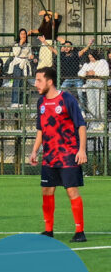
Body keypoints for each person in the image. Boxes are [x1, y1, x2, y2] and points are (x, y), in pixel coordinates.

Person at [29, 67, 87, 242]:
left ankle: (80, 232)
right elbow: (40, 130)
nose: (36, 84)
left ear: (50, 81)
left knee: (71, 191)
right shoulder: (40, 103)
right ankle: (48, 230)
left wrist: (82, 149)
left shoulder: (66, 99)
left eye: (39, 80)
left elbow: (81, 125)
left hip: (68, 153)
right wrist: (34, 150)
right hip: (49, 156)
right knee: (46, 190)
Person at [77, 51, 108, 127]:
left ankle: (102, 123)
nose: (91, 59)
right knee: (91, 104)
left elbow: (106, 73)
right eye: (89, 57)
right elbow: (80, 73)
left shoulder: (102, 62)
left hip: (99, 83)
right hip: (89, 83)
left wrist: (95, 73)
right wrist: (87, 73)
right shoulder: (87, 64)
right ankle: (93, 123)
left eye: (92, 57)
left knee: (100, 103)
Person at [8, 28, 34, 107]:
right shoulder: (16, 44)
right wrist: (20, 44)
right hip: (18, 64)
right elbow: (16, 53)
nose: (23, 35)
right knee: (17, 83)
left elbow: (29, 53)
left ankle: (23, 102)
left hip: (25, 64)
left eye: (24, 34)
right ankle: (15, 102)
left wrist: (31, 56)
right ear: (19, 35)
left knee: (24, 83)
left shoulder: (28, 45)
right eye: (22, 34)